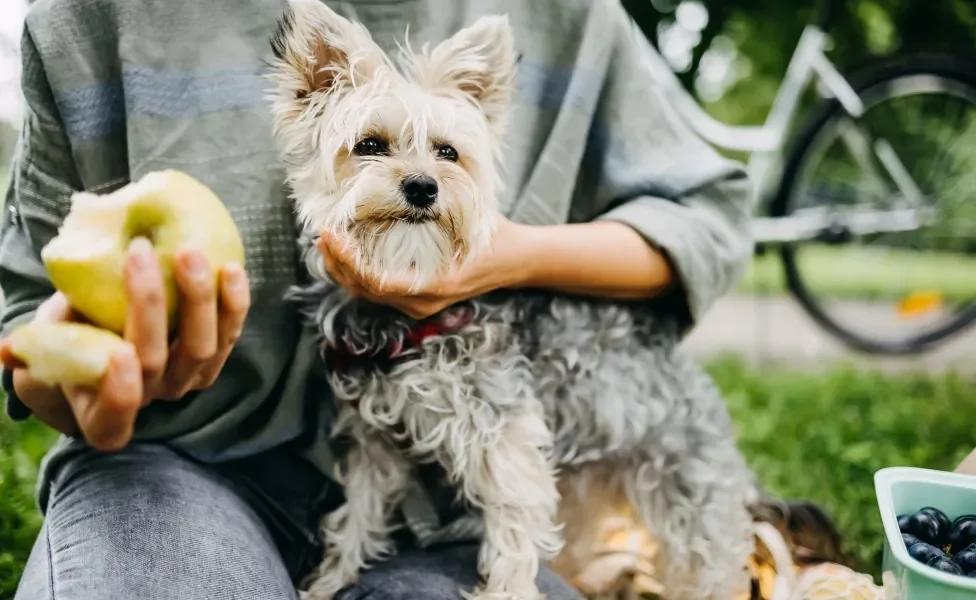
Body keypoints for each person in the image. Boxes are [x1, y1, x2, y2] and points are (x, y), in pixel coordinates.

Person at [0, 0, 754, 598]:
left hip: (453, 526)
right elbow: (27, 315)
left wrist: (507, 258)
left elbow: (710, 220)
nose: (420, 176)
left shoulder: (575, 17)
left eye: (446, 155)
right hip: (175, 469)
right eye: (375, 148)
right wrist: (77, 372)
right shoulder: (90, 18)